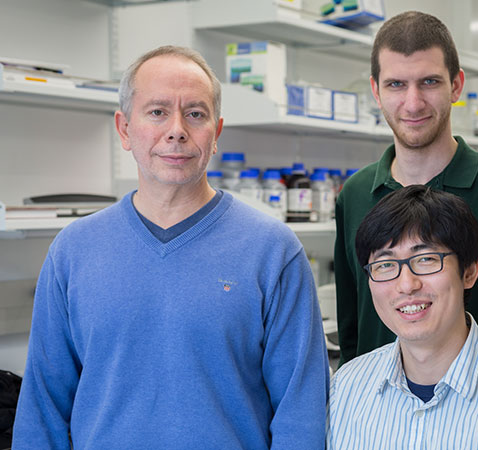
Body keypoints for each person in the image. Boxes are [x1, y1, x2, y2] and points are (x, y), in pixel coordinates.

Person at [13, 46, 328, 449]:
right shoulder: (73, 252)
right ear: (125, 129)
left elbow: (300, 415)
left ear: (215, 133)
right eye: (158, 111)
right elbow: (43, 411)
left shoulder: (273, 252)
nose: (177, 129)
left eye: (195, 114)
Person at [333, 11, 478, 365]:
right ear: (376, 91)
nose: (413, 103)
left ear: (456, 85)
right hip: (376, 411)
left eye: (429, 82)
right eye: (396, 84)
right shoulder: (354, 195)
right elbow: (352, 327)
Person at [328, 185, 478, 449]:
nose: (406, 285)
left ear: (469, 272)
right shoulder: (346, 388)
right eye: (386, 264)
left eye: (425, 259)